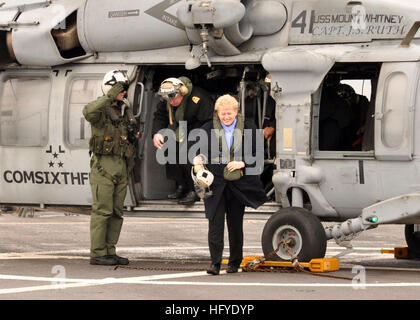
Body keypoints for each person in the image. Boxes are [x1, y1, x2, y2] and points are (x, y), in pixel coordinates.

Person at [195, 94, 267, 275]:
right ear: (217, 113)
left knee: (235, 224)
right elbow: (198, 152)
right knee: (215, 223)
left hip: (237, 182)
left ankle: (234, 262)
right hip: (214, 182)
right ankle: (215, 263)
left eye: (229, 113)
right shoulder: (207, 128)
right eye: (222, 114)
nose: (226, 117)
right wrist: (197, 162)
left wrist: (242, 163)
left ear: (236, 112)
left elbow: (259, 154)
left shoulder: (249, 127)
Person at [83, 70, 138, 266]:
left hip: (121, 167)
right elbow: (88, 112)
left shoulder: (124, 110)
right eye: (121, 89)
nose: (124, 93)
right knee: (102, 211)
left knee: (116, 212)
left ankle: (109, 250)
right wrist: (109, 96)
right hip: (103, 167)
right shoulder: (101, 111)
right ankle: (97, 253)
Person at [151, 76, 214, 205]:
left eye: (174, 99)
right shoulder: (168, 98)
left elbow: (209, 122)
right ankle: (181, 184)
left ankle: (194, 189)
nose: (171, 102)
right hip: (182, 130)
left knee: (188, 151)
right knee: (168, 147)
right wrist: (157, 133)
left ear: (182, 92)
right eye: (168, 100)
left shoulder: (199, 98)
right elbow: (160, 116)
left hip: (201, 130)